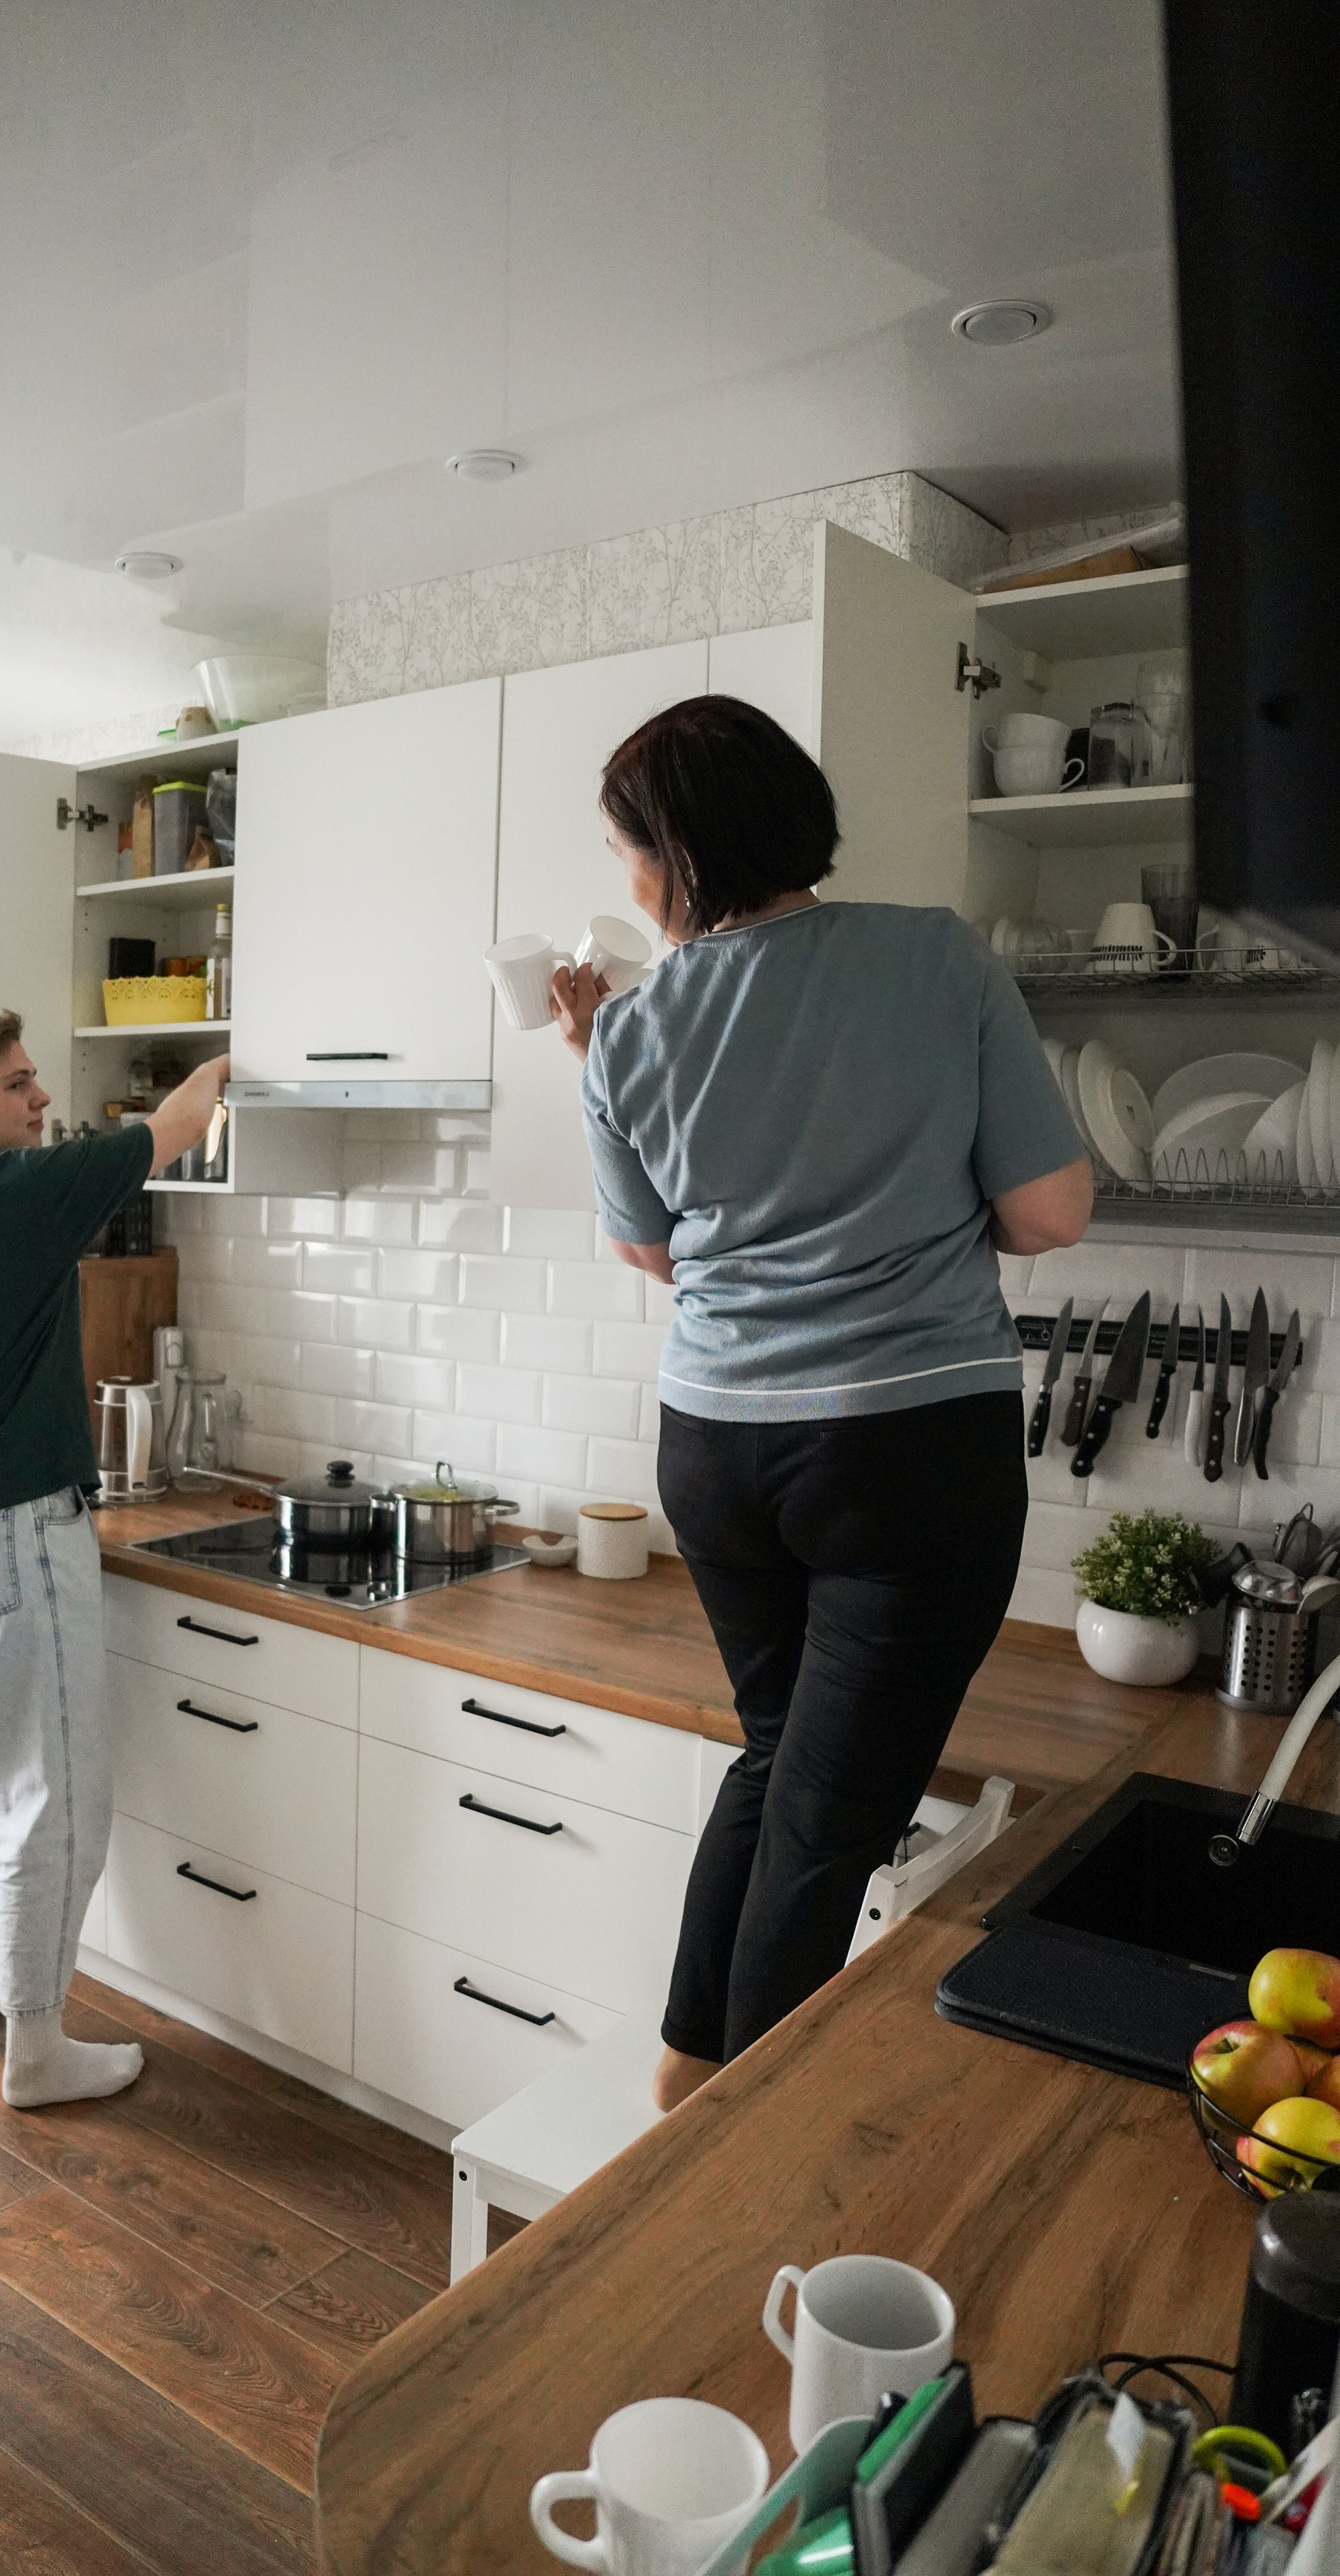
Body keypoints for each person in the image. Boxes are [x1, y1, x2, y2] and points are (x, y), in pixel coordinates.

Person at [549, 696, 1090, 2115]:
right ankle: (734, 2144)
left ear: (674, 855)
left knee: (782, 1757)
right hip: (905, 1446)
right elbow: (1047, 1214)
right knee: (828, 1814)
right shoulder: (932, 956)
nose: (627, 885)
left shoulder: (624, 1029)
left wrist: (612, 1059)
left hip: (716, 1448)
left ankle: (685, 2078)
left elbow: (654, 1253)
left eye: (625, 854)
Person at [0, 1010, 229, 2108]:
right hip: (15, 1527)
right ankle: (37, 2043)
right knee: (50, 1794)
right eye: (18, 1086)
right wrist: (239, 1052)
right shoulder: (6, 1194)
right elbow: (176, 1125)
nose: (42, 1101)